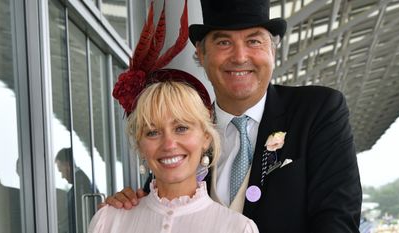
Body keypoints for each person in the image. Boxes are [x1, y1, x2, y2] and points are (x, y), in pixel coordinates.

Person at [105, 0, 363, 232]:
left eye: (254, 41)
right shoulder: (185, 132)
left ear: (272, 51)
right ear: (201, 53)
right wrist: (131, 203)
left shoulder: (317, 110)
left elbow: (337, 219)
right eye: (224, 42)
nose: (240, 57)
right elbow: (165, 203)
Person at [88, 1, 259, 232]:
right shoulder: (108, 221)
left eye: (181, 128)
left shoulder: (238, 228)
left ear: (206, 137)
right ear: (139, 145)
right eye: (152, 132)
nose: (168, 144)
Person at [55, 148, 95, 233]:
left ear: (67, 166)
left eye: (61, 171)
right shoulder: (80, 181)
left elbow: (79, 217)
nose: (62, 176)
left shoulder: (80, 183)